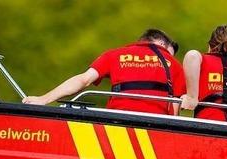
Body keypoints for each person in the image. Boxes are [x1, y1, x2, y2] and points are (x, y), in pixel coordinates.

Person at [23, 29, 185, 115]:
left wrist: (43, 99)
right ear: (161, 43)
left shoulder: (114, 55)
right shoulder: (174, 64)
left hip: (115, 122)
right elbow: (174, 110)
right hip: (154, 127)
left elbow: (83, 80)